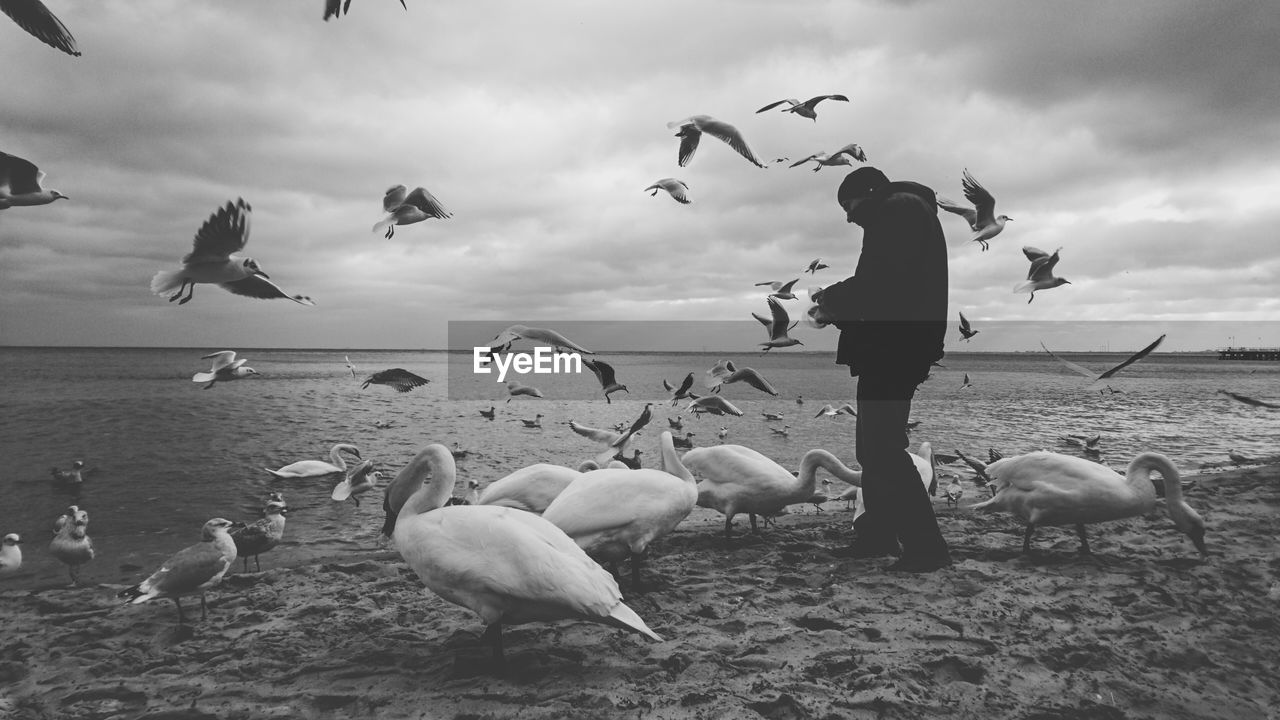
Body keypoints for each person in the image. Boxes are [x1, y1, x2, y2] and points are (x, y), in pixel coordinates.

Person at [812, 166, 951, 572]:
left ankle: (927, 548)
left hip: (894, 348)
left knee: (883, 449)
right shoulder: (904, 211)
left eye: (848, 206)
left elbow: (880, 281)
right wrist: (836, 304)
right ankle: (876, 536)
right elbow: (888, 286)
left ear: (868, 193)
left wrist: (830, 300)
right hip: (896, 346)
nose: (849, 216)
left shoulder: (898, 211)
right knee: (873, 449)